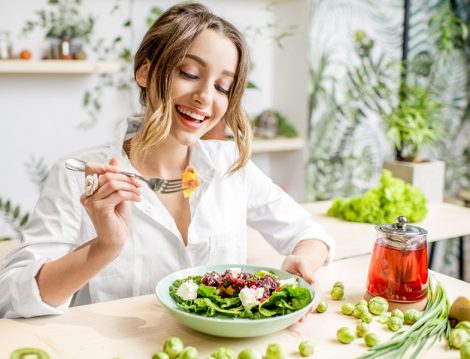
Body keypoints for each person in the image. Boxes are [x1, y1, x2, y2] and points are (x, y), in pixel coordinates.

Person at [0, 2, 334, 318]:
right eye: (189, 73)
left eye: (222, 86)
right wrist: (105, 247)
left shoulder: (230, 165)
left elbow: (309, 234)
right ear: (145, 72)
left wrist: (302, 262)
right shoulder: (79, 175)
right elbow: (13, 296)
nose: (204, 97)